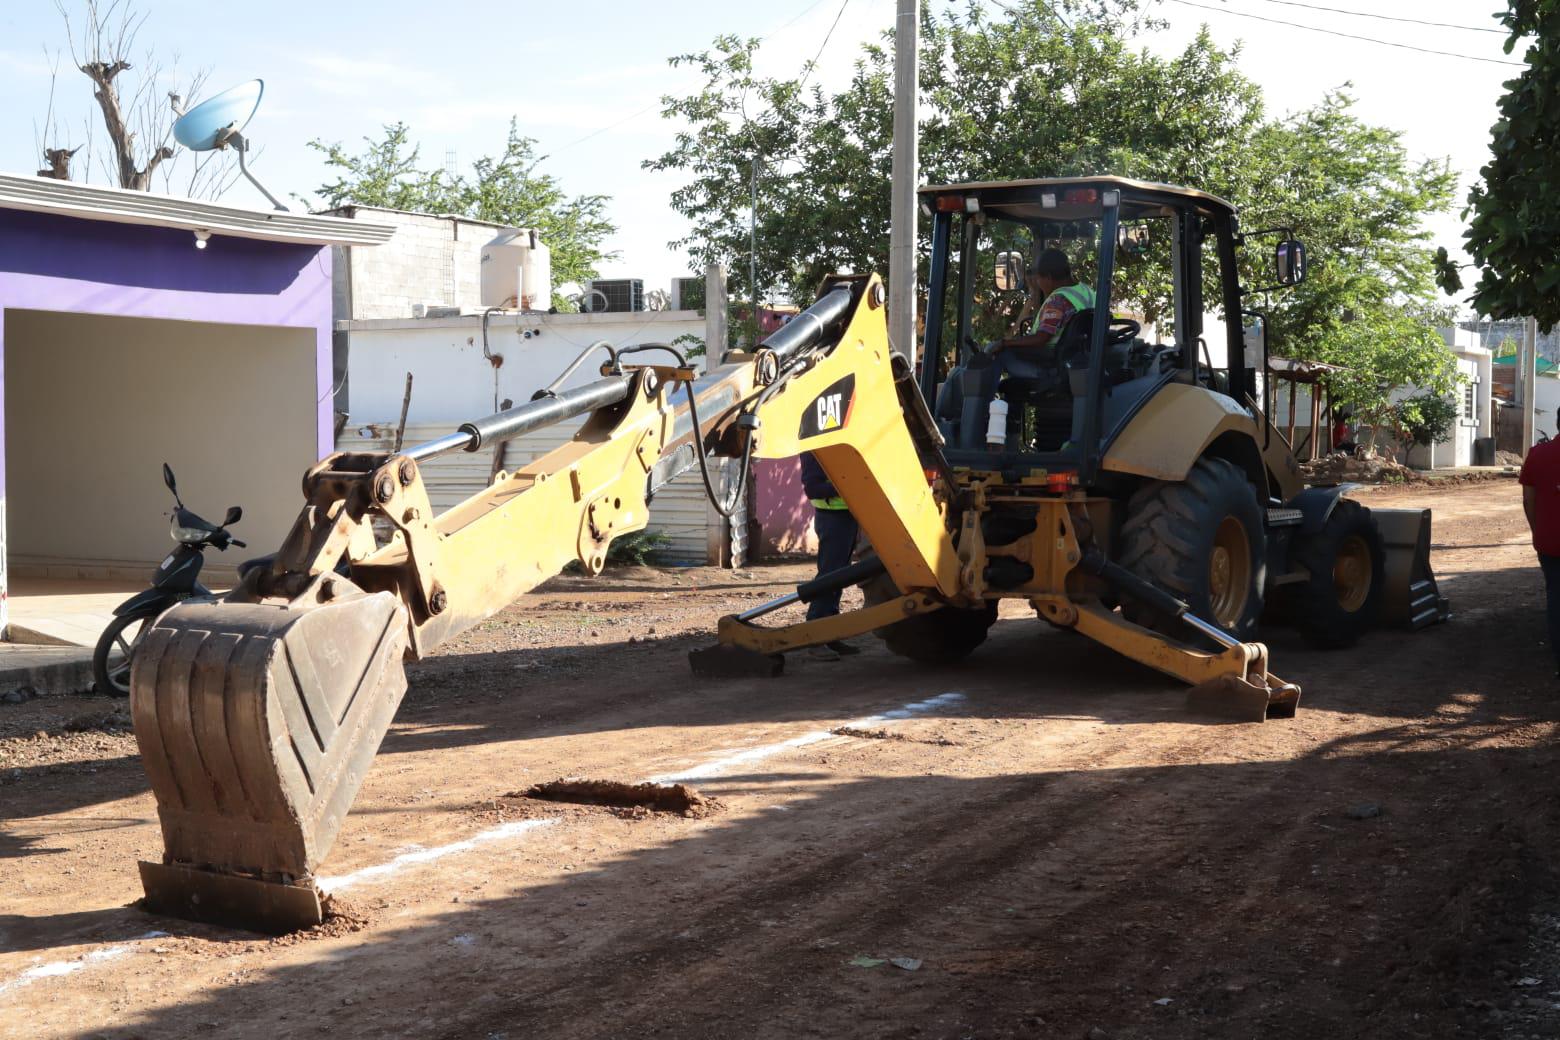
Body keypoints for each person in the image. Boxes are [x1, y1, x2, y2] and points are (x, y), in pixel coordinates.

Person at [799, 451, 862, 661]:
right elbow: (813, 489)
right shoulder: (815, 449)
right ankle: (815, 637)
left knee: (839, 577)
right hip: (833, 518)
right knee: (830, 576)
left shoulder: (836, 446)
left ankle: (830, 633)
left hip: (846, 515)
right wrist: (849, 486)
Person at [987, 248, 1096, 362]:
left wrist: (1005, 343)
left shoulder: (1057, 300)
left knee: (1000, 354)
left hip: (1051, 358)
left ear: (1048, 277)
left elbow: (1041, 339)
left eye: (1038, 278)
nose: (1038, 284)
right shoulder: (1087, 290)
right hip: (1079, 354)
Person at [1520, 433, 1560, 677]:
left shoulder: (1538, 454)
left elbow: (1528, 500)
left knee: (1556, 596)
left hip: (1550, 542)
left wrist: (1538, 531)